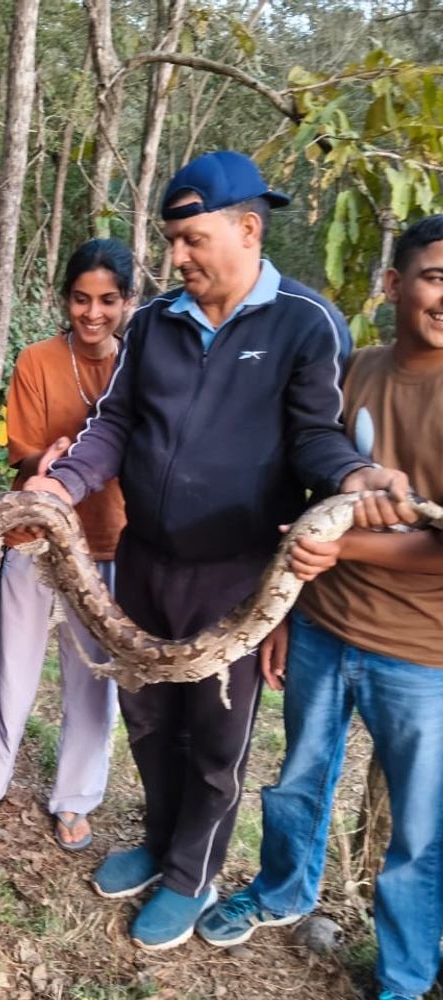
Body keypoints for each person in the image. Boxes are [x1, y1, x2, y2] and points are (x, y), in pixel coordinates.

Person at [24, 149, 412, 950]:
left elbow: (314, 440)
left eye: (192, 238)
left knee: (215, 732)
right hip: (144, 561)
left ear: (246, 228)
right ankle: (161, 842)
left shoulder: (307, 323)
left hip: (234, 574)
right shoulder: (157, 321)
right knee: (148, 716)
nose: (178, 257)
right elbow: (117, 422)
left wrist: (358, 474)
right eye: (172, 240)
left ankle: (192, 875)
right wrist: (63, 484)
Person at [196, 215, 443, 1000]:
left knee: (421, 830)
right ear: (394, 284)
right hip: (324, 627)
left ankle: (404, 976)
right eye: (435, 277)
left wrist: (342, 548)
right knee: (299, 778)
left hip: (424, 651)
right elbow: (310, 490)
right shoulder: (353, 373)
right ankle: (281, 892)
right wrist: (290, 608)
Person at [0, 239, 132, 852]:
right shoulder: (36, 359)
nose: (92, 313)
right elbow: (20, 448)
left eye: (107, 300)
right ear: (65, 300)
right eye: (81, 299)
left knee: (93, 678)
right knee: (13, 663)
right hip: (33, 536)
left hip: (106, 543)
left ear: (127, 302)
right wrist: (46, 459)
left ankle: (75, 798)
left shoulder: (139, 366)